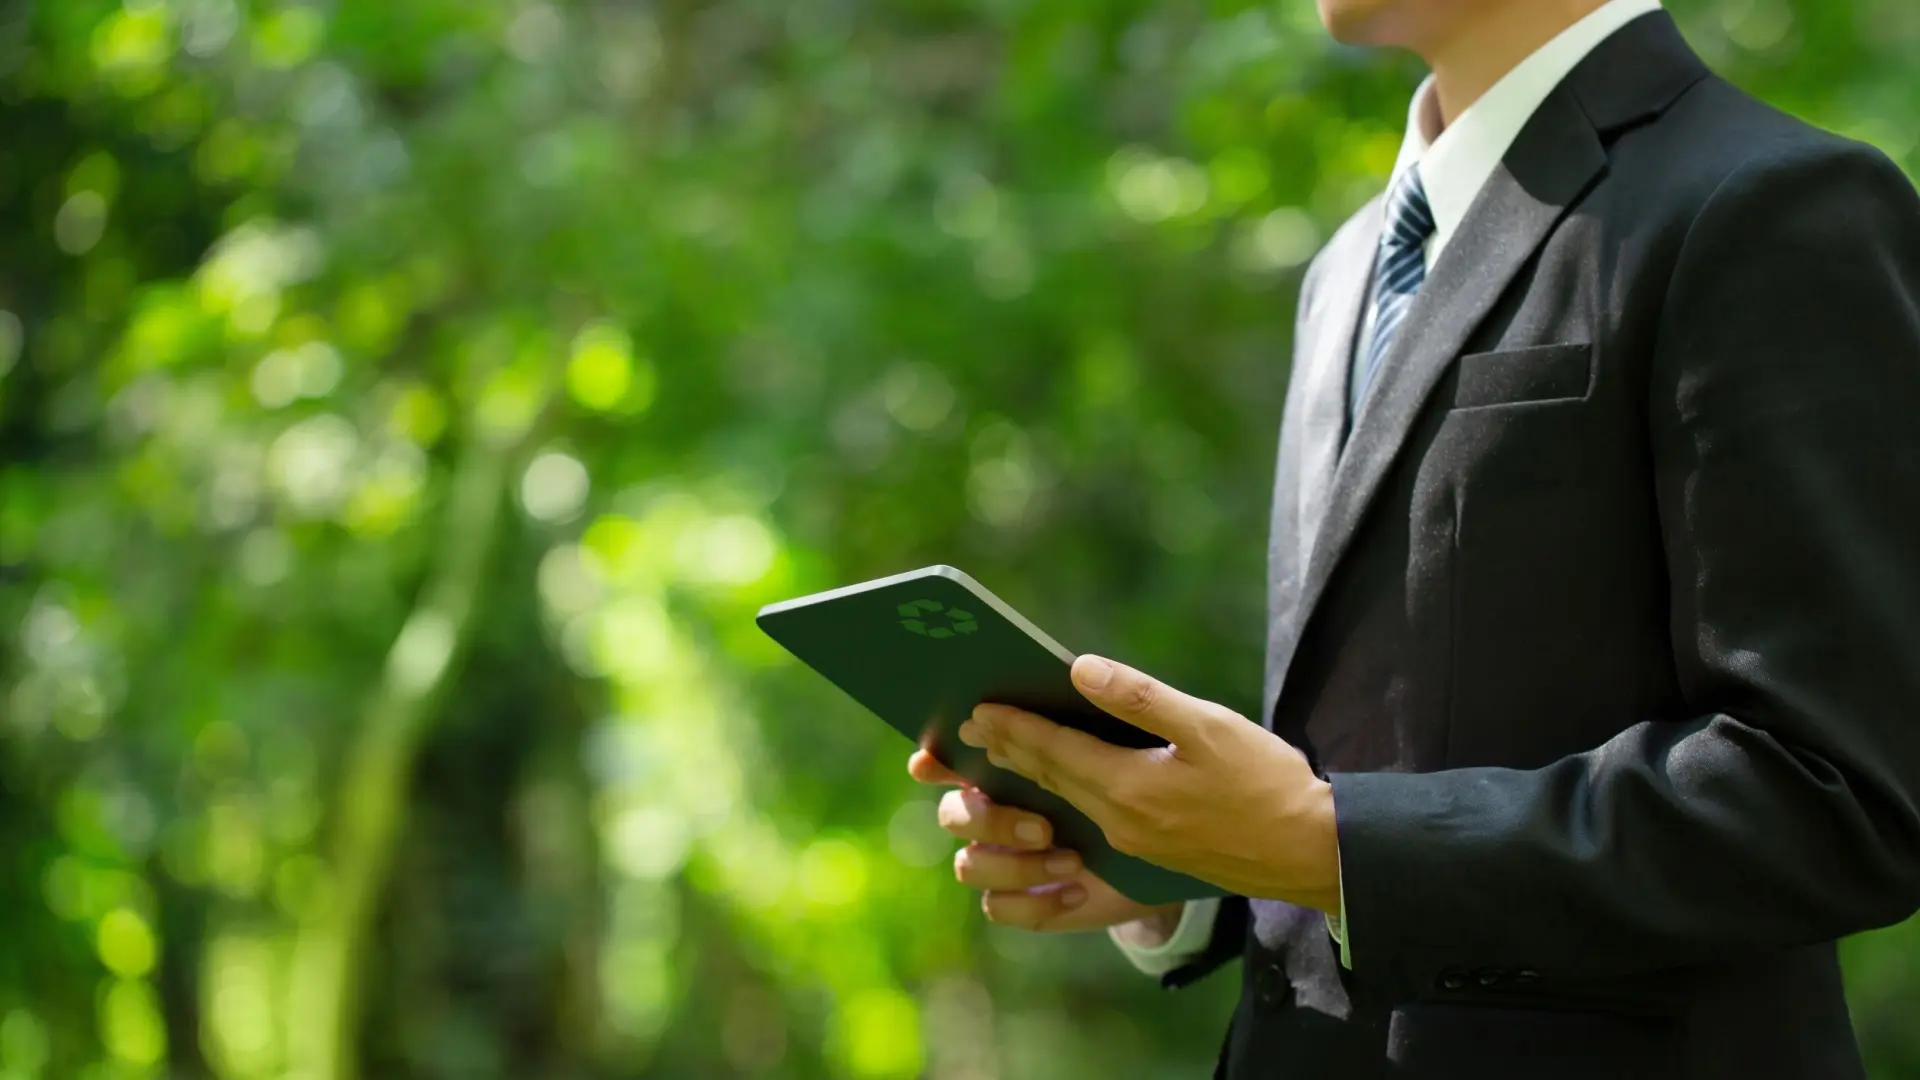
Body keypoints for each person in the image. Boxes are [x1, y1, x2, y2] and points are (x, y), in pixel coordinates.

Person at [907, 0, 1920, 1076]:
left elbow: (1842, 790)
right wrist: (1190, 859)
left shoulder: (1771, 202)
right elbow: (1372, 753)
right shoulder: (1347, 267)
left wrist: (1326, 846)